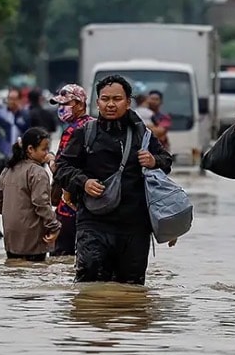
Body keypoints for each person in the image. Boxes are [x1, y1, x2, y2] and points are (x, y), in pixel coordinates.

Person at [54, 75, 174, 285]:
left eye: (117, 99)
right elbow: (62, 168)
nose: (110, 104)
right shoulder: (85, 133)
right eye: (105, 99)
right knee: (89, 285)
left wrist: (153, 160)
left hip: (134, 226)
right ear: (97, 102)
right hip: (93, 223)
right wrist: (83, 182)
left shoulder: (141, 134)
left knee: (131, 288)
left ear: (128, 102)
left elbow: (166, 161)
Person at [0, 126, 60, 261]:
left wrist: (11, 214)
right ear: (30, 149)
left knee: (14, 274)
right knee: (35, 275)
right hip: (32, 237)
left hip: (11, 236)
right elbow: (41, 204)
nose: (47, 153)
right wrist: (54, 226)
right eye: (44, 149)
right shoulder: (38, 172)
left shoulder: (8, 170)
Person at [48, 84, 92, 258]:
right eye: (60, 104)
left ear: (80, 105)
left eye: (66, 104)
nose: (61, 109)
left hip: (68, 206)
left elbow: (60, 169)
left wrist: (49, 159)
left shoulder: (72, 131)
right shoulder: (94, 126)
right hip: (90, 203)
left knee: (61, 257)